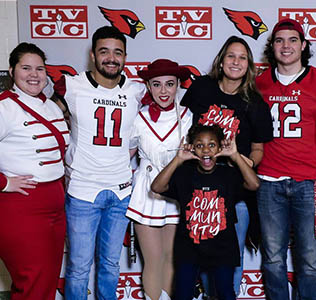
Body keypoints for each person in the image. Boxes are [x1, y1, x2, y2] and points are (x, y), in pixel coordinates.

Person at [52, 26, 147, 299]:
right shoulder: (71, 86)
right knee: (80, 266)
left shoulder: (135, 90)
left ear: (125, 57)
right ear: (93, 55)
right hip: (82, 190)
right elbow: (46, 121)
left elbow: (138, 137)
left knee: (110, 264)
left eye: (118, 52)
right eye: (104, 51)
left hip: (120, 191)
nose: (111, 58)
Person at [255, 19, 316, 300]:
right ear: (273, 46)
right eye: (280, 40)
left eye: (293, 40)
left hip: (311, 184)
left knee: (310, 262)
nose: (286, 46)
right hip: (269, 182)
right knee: (272, 260)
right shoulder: (259, 83)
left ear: (304, 45)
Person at [180, 35, 273, 297]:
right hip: (198, 190)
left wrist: (242, 161)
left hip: (235, 194)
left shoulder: (254, 103)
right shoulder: (201, 88)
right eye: (231, 56)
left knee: (230, 261)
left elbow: (258, 150)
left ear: (249, 65)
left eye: (242, 57)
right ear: (221, 61)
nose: (236, 61)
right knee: (199, 260)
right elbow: (181, 126)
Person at [151, 124, 259, 300]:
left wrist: (235, 155)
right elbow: (157, 186)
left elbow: (254, 184)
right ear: (192, 148)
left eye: (212, 145)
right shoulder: (185, 174)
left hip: (223, 248)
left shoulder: (228, 174)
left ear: (220, 147)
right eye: (199, 145)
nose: (206, 150)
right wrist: (178, 159)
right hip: (189, 248)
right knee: (182, 294)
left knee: (225, 292)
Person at [0, 42, 69, 300]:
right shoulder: (4, 107)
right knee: (31, 282)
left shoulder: (51, 106)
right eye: (26, 68)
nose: (34, 74)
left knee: (47, 283)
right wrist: (4, 182)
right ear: (11, 71)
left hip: (54, 204)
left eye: (39, 68)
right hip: (20, 205)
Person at [126, 59, 193, 300]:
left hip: (177, 191)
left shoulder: (189, 116)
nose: (163, 91)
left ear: (178, 86)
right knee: (152, 260)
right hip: (147, 192)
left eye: (169, 84)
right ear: (148, 86)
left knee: (172, 258)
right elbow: (126, 156)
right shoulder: (138, 118)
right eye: (156, 85)